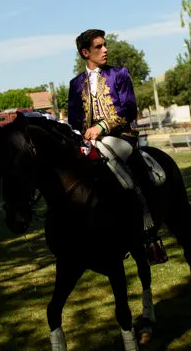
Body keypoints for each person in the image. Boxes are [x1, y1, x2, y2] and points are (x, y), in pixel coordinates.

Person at [67, 29, 156, 235]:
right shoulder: (75, 84)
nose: (105, 50)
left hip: (120, 137)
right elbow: (73, 120)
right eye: (98, 46)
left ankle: (148, 226)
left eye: (104, 45)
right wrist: (84, 134)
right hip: (88, 142)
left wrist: (101, 127)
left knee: (136, 171)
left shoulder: (120, 74)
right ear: (85, 53)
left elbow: (129, 109)